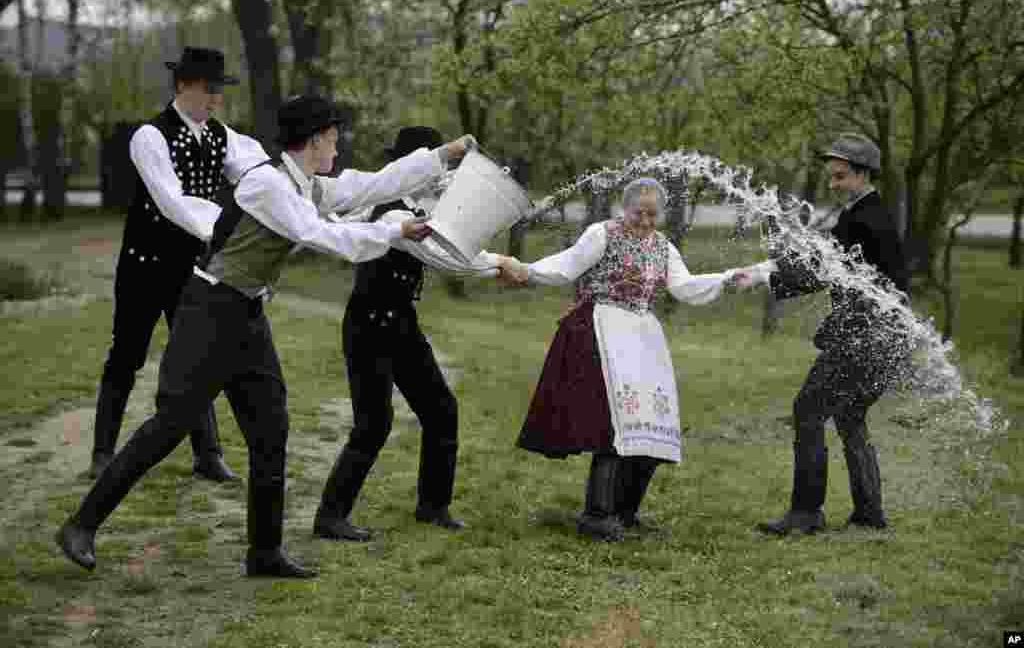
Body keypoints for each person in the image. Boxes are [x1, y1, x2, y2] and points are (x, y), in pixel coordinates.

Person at [56, 95, 477, 578]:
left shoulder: (304, 184)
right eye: (334, 139)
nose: (338, 147)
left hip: (246, 313)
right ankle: (81, 524)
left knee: (271, 429)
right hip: (210, 311)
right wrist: (396, 233)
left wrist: (443, 155)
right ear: (315, 141)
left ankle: (264, 552)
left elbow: (369, 185)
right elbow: (321, 236)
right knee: (170, 426)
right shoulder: (268, 185)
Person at [500, 178, 757, 542]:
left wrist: (727, 279)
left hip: (642, 337)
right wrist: (526, 270)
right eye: (640, 213)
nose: (646, 222)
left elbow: (684, 286)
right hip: (601, 329)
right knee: (612, 427)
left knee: (651, 421)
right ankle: (596, 515)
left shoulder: (663, 247)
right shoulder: (602, 233)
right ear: (625, 208)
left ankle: (626, 512)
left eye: (653, 215)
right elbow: (567, 265)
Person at [313, 126, 513, 541]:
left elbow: (454, 229)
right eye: (438, 168)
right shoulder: (393, 214)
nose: (443, 176)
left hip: (400, 321)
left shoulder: (419, 206)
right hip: (369, 325)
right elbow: (446, 255)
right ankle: (330, 516)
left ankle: (432, 506)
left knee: (441, 411)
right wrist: (501, 264)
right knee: (374, 425)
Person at [741, 133, 910, 535]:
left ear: (864, 174)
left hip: (865, 338)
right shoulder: (872, 214)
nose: (832, 185)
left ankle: (805, 513)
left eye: (840, 177)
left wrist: (765, 276)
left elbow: (822, 270)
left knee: (808, 410)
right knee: (850, 416)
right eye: (830, 178)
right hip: (887, 338)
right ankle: (869, 514)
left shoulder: (863, 219)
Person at [88, 47, 244, 482]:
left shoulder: (221, 136)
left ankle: (207, 454)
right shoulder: (149, 137)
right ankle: (103, 452)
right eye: (207, 90)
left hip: (190, 269)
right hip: (144, 266)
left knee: (198, 358)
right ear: (182, 86)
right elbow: (171, 200)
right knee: (127, 353)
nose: (215, 99)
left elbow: (253, 175)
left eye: (219, 91)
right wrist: (222, 230)